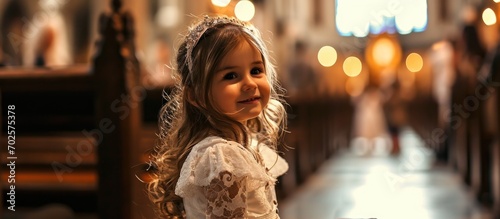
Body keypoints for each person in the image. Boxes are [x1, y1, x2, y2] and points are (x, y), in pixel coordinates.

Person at [147, 15, 289, 218]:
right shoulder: (222, 157)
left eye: (256, 70)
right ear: (196, 95)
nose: (250, 83)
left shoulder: (236, 146)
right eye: (231, 76)